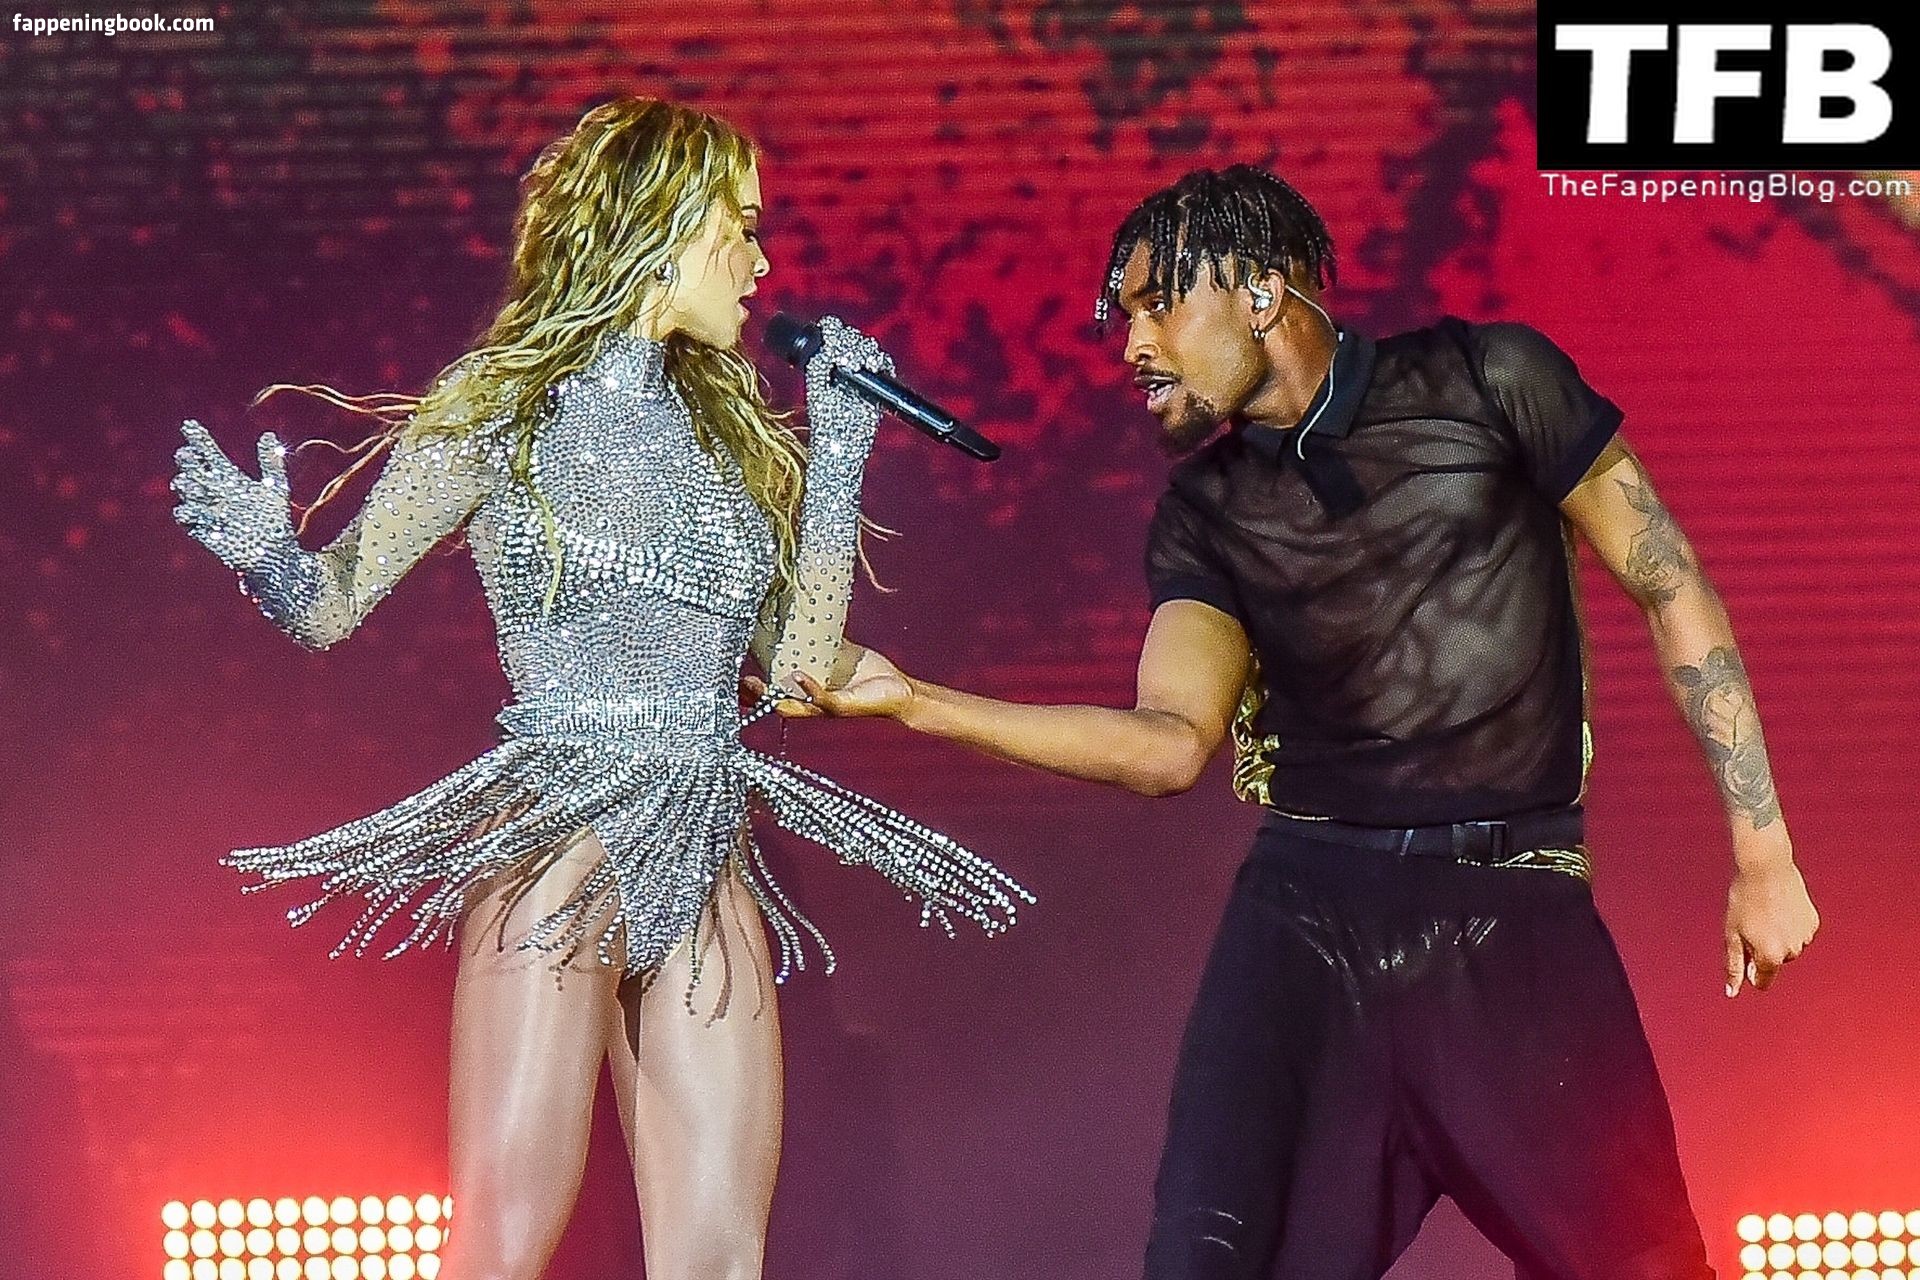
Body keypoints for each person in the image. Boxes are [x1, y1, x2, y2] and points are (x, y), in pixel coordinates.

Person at [774, 164, 1819, 1279]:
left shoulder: (1494, 378)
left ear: (1261, 293)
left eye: (1157, 305)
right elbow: (1169, 742)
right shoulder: (1207, 508)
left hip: (1514, 917)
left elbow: (1669, 582)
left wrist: (1763, 855)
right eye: (1124, 317)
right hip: (1309, 928)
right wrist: (916, 700)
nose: (1133, 345)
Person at [168, 95, 1029, 1280]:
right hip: (559, 845)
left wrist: (837, 456)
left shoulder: (731, 435)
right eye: (742, 226)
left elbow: (800, 670)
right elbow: (329, 606)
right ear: (663, 227)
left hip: (704, 852)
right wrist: (267, 555)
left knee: (719, 1260)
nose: (762, 262)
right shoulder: (498, 407)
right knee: (502, 1245)